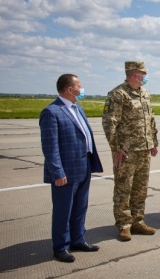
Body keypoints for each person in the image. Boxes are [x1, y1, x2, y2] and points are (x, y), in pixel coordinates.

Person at [40, 74, 103, 263]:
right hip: (65, 172)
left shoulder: (78, 108)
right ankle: (60, 247)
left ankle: (78, 240)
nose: (82, 89)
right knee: (63, 210)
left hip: (84, 166)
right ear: (69, 89)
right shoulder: (52, 112)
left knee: (80, 207)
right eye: (79, 86)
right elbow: (50, 147)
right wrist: (57, 172)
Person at [102, 61, 158, 241]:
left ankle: (137, 221)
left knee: (140, 188)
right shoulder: (119, 94)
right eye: (144, 73)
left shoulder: (144, 94)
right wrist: (116, 148)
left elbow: (151, 120)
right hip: (126, 152)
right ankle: (124, 225)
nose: (146, 76)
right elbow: (109, 123)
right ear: (135, 74)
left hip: (143, 149)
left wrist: (153, 142)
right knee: (123, 188)